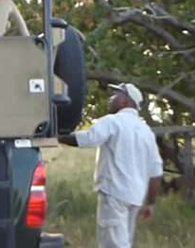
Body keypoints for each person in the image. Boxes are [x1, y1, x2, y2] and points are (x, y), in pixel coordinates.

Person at [59, 83, 163, 248]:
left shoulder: (113, 121)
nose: (111, 99)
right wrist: (150, 203)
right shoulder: (146, 131)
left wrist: (57, 136)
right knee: (124, 242)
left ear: (124, 101)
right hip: (135, 197)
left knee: (113, 244)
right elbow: (156, 172)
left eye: (115, 95)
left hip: (115, 194)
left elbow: (86, 139)